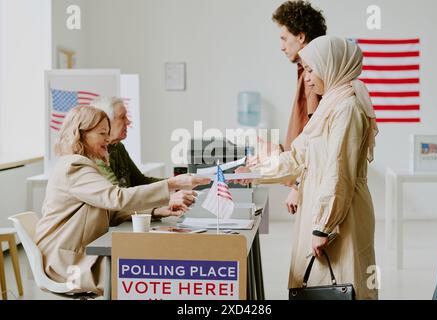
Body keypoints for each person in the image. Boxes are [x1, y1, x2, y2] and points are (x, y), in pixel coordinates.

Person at [237, 36, 379, 299]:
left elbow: (339, 172)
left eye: (312, 69)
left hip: (340, 215)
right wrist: (256, 173)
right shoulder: (330, 104)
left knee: (343, 285)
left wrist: (323, 227)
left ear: (331, 65)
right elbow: (298, 157)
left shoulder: (347, 107)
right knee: (317, 285)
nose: (308, 78)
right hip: (322, 208)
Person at [35, 106, 210, 295]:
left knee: (156, 268)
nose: (108, 140)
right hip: (67, 263)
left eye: (108, 133)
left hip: (75, 257)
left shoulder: (81, 165)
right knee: (155, 272)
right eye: (102, 133)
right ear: (81, 134)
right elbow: (116, 198)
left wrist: (156, 211)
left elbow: (110, 209)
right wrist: (171, 183)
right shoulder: (74, 166)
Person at [251, 1, 327, 215]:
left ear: (301, 37)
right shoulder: (308, 72)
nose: (282, 46)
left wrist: (298, 186)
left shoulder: (311, 77)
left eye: (284, 38)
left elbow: (316, 137)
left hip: (310, 182)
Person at [91, 96, 188, 219]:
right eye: (122, 117)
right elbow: (119, 197)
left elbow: (140, 182)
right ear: (106, 123)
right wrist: (170, 187)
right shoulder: (96, 154)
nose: (128, 122)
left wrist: (179, 183)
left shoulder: (118, 147)